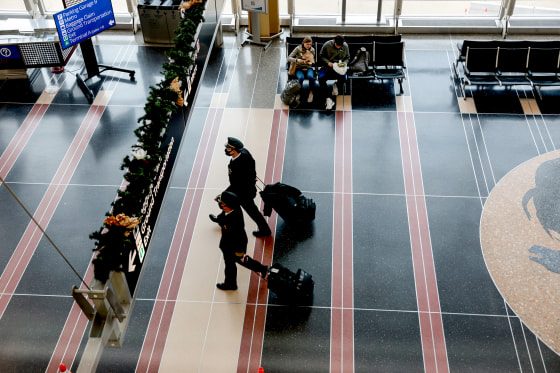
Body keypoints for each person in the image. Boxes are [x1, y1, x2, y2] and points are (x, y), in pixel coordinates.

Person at [210, 137, 272, 237]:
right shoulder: (244, 152)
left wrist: (222, 195)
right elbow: (252, 163)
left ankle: (265, 231)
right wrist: (252, 177)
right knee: (228, 202)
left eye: (228, 148)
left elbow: (236, 185)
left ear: (234, 150)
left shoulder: (237, 166)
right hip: (244, 187)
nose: (226, 150)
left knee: (253, 212)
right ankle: (221, 219)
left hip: (244, 193)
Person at [213, 191, 268, 291]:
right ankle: (262, 268)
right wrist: (219, 199)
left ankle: (230, 284)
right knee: (236, 262)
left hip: (233, 246)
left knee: (233, 263)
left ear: (228, 206)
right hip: (227, 243)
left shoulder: (234, 220)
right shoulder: (233, 208)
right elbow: (224, 212)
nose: (221, 205)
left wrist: (239, 253)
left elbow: (240, 237)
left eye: (223, 204)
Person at [318, 35, 350, 111]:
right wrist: (328, 62)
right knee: (321, 79)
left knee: (344, 79)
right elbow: (321, 55)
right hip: (328, 67)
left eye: (340, 46)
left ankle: (336, 85)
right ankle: (328, 98)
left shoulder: (345, 46)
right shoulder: (327, 45)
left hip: (339, 67)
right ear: (334, 41)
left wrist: (344, 63)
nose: (339, 47)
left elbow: (347, 57)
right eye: (337, 46)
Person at [287, 36, 317, 103]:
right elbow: (289, 58)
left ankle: (311, 92)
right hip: (299, 68)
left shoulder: (312, 50)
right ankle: (298, 93)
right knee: (301, 78)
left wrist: (310, 61)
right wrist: (297, 60)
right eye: (307, 44)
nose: (308, 46)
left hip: (308, 67)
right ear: (303, 43)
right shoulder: (298, 49)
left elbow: (313, 60)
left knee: (311, 77)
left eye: (310, 44)